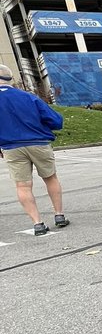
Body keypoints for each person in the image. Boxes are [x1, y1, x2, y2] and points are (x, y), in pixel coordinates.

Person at [0, 64, 69, 236]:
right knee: (50, 177)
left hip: (11, 146)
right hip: (38, 142)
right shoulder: (28, 97)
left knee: (23, 186)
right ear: (10, 78)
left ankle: (37, 223)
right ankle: (59, 215)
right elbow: (56, 121)